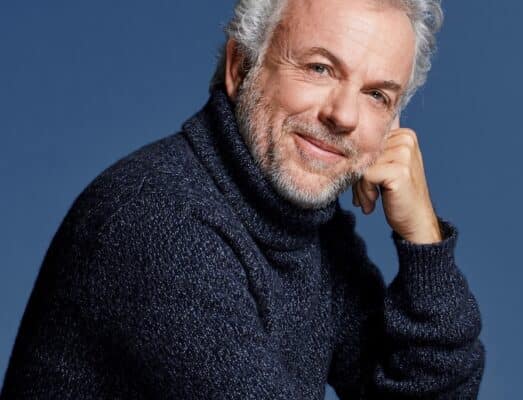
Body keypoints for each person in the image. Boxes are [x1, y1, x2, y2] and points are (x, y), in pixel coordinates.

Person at [1, 0, 486, 398]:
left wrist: (422, 241)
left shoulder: (306, 227)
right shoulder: (161, 225)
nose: (343, 116)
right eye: (319, 68)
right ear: (240, 66)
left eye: (377, 95)